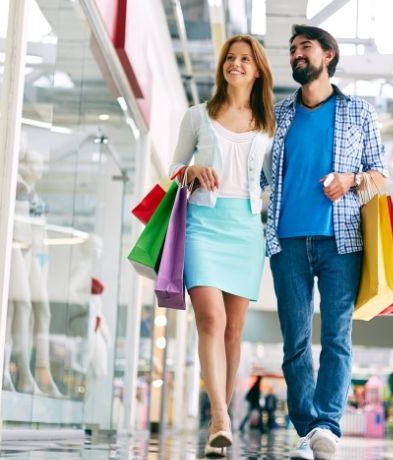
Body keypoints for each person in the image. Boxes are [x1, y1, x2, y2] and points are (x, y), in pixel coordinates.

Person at [264, 24, 388, 460]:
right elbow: (263, 175)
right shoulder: (278, 114)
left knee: (337, 337)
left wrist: (351, 179)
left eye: (306, 47)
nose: (297, 54)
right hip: (287, 242)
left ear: (328, 55)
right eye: (292, 48)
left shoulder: (359, 112)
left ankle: (328, 427)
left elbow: (380, 175)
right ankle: (306, 429)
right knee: (295, 342)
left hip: (343, 241)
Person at [168, 34, 275, 458]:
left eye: (245, 59)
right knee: (209, 318)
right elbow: (174, 167)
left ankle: (223, 416)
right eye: (231, 58)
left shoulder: (268, 123)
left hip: (246, 229)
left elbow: (276, 177)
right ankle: (218, 418)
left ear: (257, 70)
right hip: (203, 225)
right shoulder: (198, 115)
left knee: (234, 329)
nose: (236, 64)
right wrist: (191, 169)